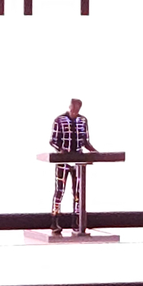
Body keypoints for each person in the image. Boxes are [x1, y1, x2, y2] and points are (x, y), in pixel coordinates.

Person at [48, 97, 93, 234]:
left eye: (77, 109)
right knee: (59, 191)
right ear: (69, 107)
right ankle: (55, 221)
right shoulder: (59, 120)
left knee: (78, 192)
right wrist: (61, 151)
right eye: (73, 108)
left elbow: (85, 141)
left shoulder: (83, 121)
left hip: (78, 162)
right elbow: (53, 140)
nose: (74, 111)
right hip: (63, 161)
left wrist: (94, 152)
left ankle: (76, 221)